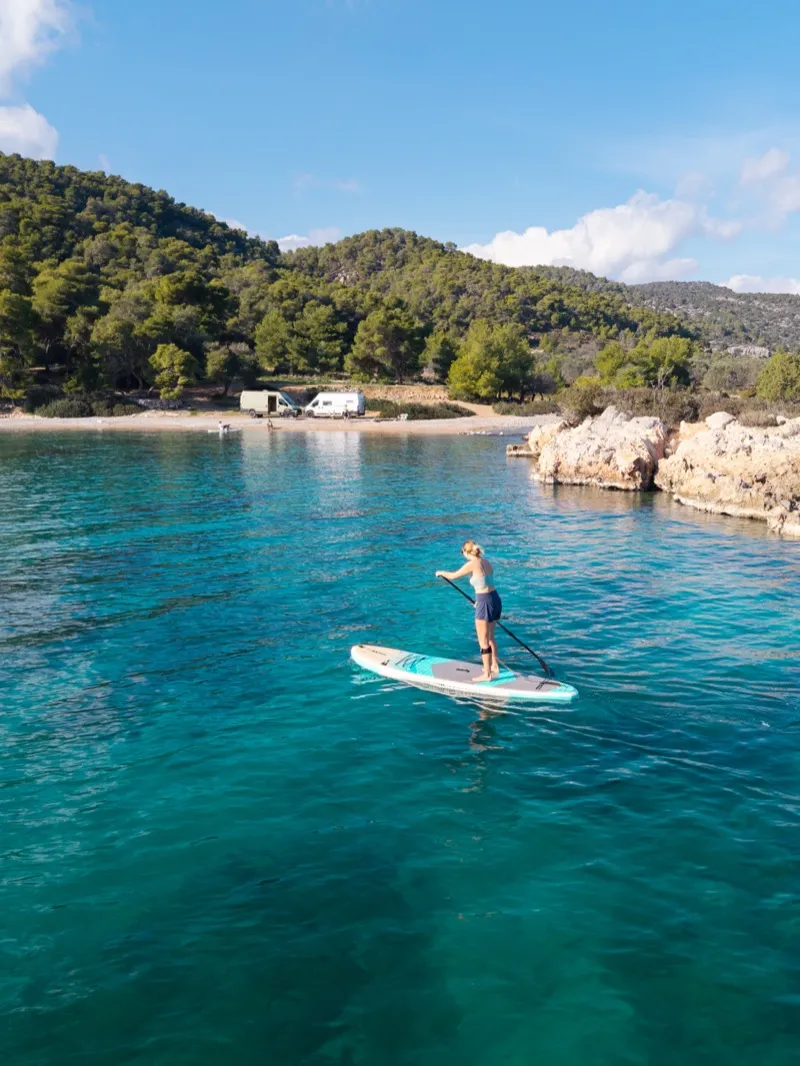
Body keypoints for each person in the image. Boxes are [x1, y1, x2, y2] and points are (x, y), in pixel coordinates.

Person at [436, 540, 503, 682]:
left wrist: (441, 572)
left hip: (485, 601)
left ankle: (487, 675)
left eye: (463, 553)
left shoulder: (471, 564)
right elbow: (487, 583)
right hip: (495, 599)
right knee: (491, 637)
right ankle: (494, 666)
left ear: (467, 552)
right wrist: (481, 601)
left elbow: (453, 576)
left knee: (483, 641)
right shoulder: (487, 562)